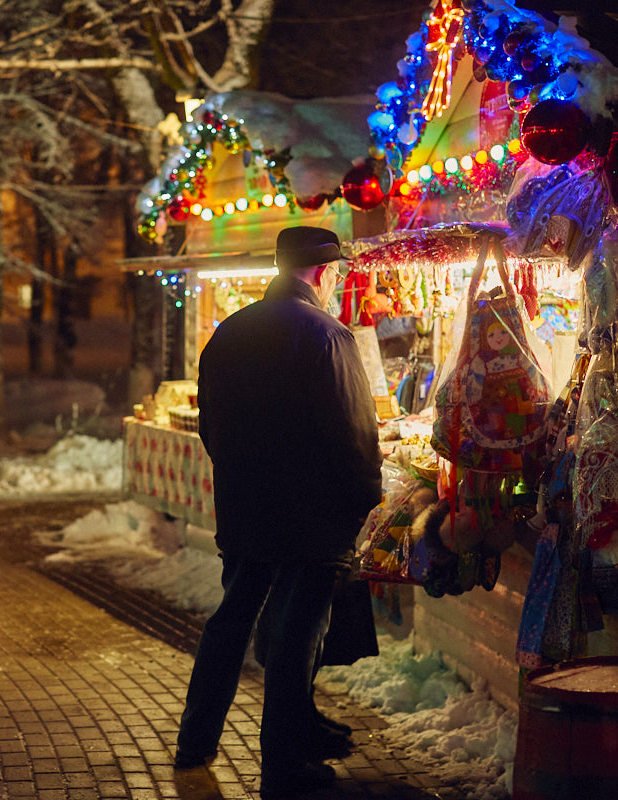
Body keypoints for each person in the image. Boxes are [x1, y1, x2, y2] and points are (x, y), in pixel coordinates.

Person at [174, 226, 383, 799]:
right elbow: (354, 432)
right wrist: (366, 498)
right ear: (323, 271)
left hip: (245, 509)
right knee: (297, 637)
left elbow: (209, 426)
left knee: (232, 619)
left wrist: (243, 483)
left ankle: (195, 741)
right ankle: (284, 766)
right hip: (312, 516)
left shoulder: (230, 333)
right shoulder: (327, 334)